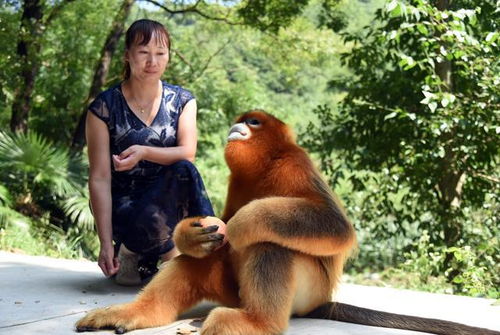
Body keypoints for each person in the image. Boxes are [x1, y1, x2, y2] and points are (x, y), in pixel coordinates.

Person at [86, 19, 215, 285]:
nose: (152, 61)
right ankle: (132, 252)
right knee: (144, 210)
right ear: (127, 55)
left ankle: (204, 256)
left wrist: (144, 152)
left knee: (184, 170)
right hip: (126, 208)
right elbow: (99, 178)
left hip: (166, 207)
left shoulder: (182, 101)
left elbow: (187, 153)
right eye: (143, 52)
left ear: (168, 56)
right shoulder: (104, 108)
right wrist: (104, 243)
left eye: (160, 53)